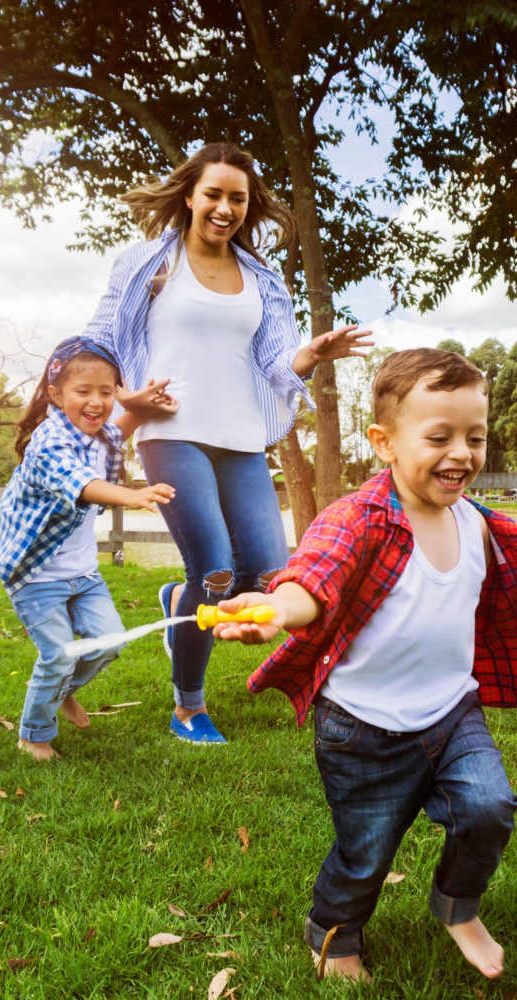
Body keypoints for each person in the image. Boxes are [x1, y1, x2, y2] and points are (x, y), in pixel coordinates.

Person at [213, 348, 517, 982]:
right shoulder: (358, 518)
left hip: (452, 713)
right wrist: (275, 609)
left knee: (489, 806)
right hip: (361, 729)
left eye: (475, 437)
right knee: (366, 852)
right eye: (439, 436)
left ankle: (458, 905)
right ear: (385, 443)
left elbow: (500, 591)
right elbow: (314, 579)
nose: (462, 453)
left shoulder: (479, 525)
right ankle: (334, 935)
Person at [84, 141, 373, 744]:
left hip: (242, 434)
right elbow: (102, 336)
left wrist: (310, 354)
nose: (224, 207)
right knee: (214, 572)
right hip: (173, 431)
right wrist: (122, 403)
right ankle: (188, 706)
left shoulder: (263, 279)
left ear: (249, 205)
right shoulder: (149, 264)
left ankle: (178, 602)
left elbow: (274, 361)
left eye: (236, 198)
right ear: (189, 195)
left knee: (269, 574)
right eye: (213, 194)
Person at [0, 336, 177, 761]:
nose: (96, 402)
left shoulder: (96, 433)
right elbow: (82, 484)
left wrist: (139, 407)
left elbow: (118, 429)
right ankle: (33, 735)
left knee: (109, 642)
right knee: (57, 654)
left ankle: (59, 688)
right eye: (83, 392)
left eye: (106, 392)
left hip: (82, 574)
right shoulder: (49, 441)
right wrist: (130, 494)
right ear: (56, 396)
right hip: (35, 574)